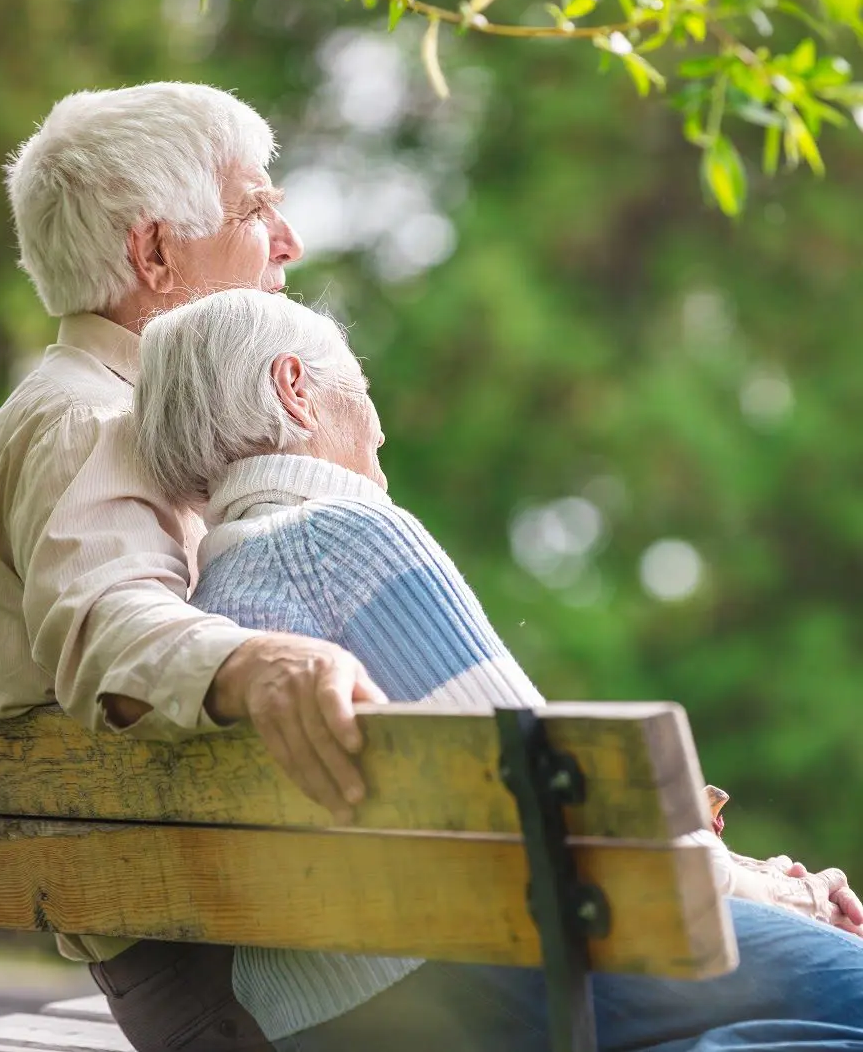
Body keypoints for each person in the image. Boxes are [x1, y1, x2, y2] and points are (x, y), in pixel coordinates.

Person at [131, 286, 863, 1052]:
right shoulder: (345, 536)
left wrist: (740, 870)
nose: (378, 427)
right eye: (365, 389)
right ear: (296, 389)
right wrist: (785, 893)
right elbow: (570, 819)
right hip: (478, 978)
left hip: (312, 1017)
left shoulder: (207, 606)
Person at [0, 83, 388, 1052]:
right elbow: (108, 621)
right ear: (154, 253)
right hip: (222, 966)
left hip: (241, 923)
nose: (289, 240)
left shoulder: (136, 414)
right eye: (254, 207)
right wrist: (258, 664)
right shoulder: (93, 419)